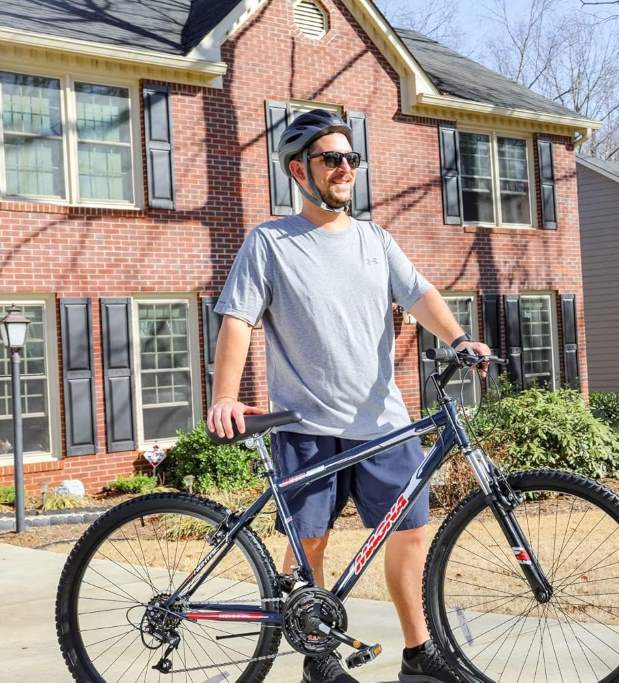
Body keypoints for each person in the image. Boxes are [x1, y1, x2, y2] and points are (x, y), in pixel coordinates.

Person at [208, 109, 490, 683]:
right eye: (331, 158)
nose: (345, 168)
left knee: (408, 532)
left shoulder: (374, 239)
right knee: (309, 541)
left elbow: (420, 295)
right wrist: (225, 396)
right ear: (298, 170)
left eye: (351, 159)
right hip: (306, 424)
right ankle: (318, 658)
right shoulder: (270, 242)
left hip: (383, 421)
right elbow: (237, 320)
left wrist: (459, 338)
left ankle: (418, 651)